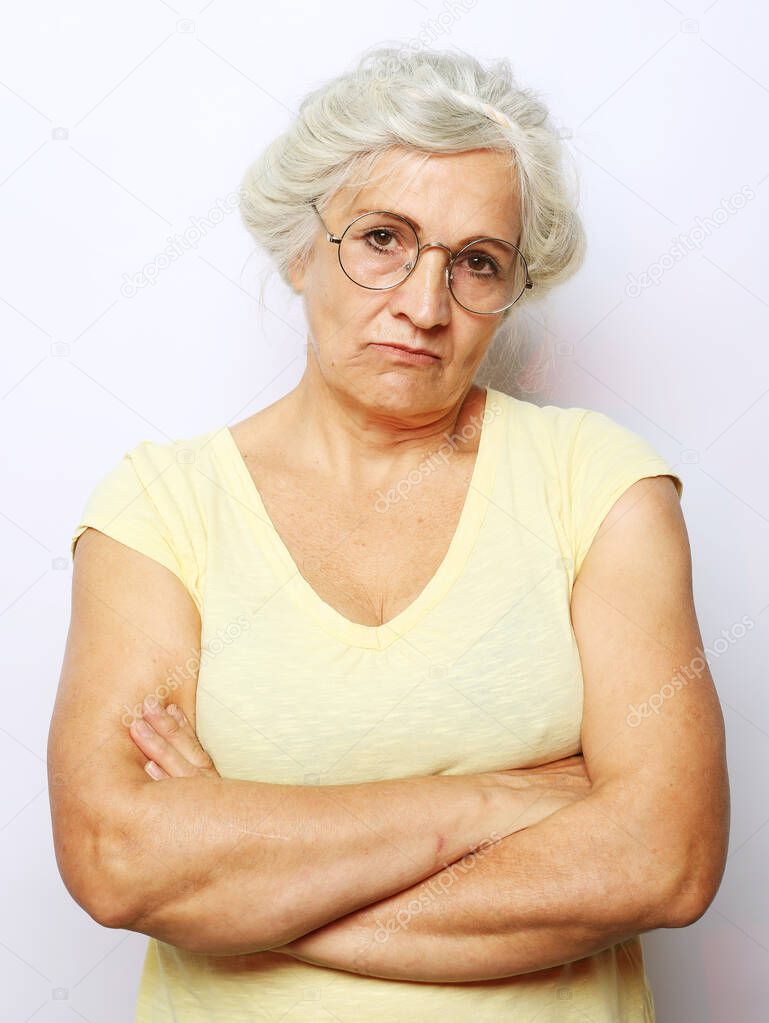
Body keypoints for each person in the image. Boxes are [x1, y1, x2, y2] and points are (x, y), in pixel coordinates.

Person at [48, 44, 729, 1022]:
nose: (423, 306)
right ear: (298, 245)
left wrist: (240, 888)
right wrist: (494, 803)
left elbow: (664, 860)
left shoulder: (600, 485)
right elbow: (122, 862)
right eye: (381, 239)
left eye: (476, 263)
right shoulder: (160, 506)